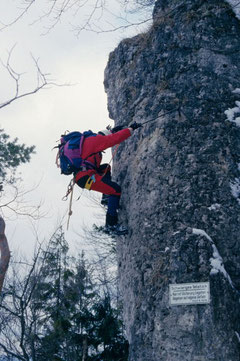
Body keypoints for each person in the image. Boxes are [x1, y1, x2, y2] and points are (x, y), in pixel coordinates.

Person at [74, 122, 141, 234]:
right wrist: (130, 129)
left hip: (85, 175)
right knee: (115, 190)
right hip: (86, 178)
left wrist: (113, 130)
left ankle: (106, 197)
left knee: (105, 167)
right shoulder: (96, 141)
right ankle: (111, 225)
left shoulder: (89, 140)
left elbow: (107, 136)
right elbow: (113, 139)